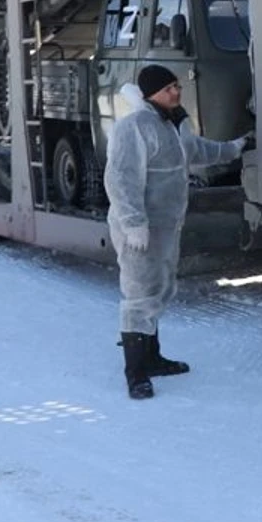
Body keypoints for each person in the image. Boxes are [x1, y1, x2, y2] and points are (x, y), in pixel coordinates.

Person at [103, 63, 250, 400]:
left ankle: (153, 359)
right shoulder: (134, 127)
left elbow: (198, 150)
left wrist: (236, 147)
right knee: (139, 295)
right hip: (140, 229)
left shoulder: (171, 125)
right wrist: (133, 223)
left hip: (167, 226)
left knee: (159, 290)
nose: (177, 92)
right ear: (151, 93)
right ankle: (136, 374)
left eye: (176, 86)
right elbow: (121, 179)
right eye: (169, 88)